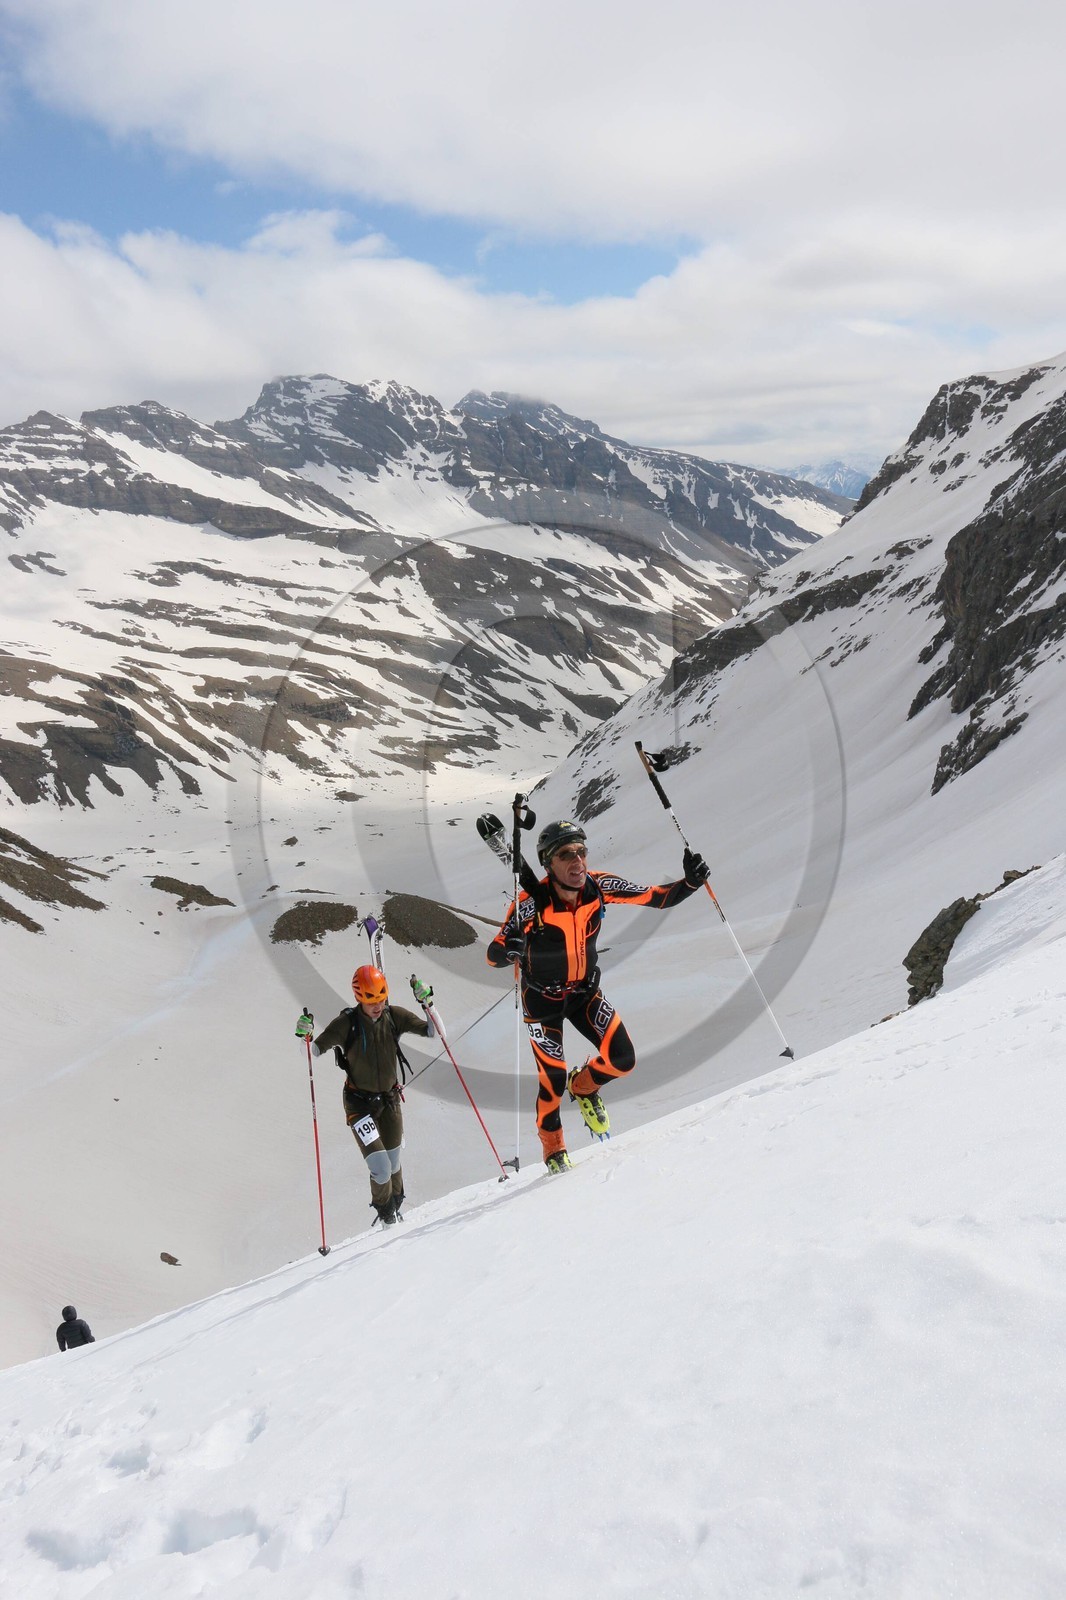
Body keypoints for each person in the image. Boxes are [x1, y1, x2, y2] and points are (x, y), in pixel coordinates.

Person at [487, 819, 710, 1172]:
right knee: (552, 1081)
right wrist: (510, 948)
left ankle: (584, 1086)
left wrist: (692, 882)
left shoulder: (599, 886)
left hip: (584, 993)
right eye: (566, 855)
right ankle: (554, 1147)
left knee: (623, 1059)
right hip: (542, 1002)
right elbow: (493, 955)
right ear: (548, 863)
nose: (577, 861)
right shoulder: (529, 904)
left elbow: (656, 897)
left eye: (581, 852)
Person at [296, 966, 435, 1226]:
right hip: (359, 1105)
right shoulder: (346, 1024)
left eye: (381, 999)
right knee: (381, 1168)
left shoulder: (394, 1016)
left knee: (394, 1163)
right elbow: (311, 1052)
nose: (377, 1006)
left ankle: (396, 1210)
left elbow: (433, 1031)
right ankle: (387, 1219)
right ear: (359, 998)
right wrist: (304, 1036)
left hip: (390, 1101)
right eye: (371, 1001)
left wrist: (428, 1003)